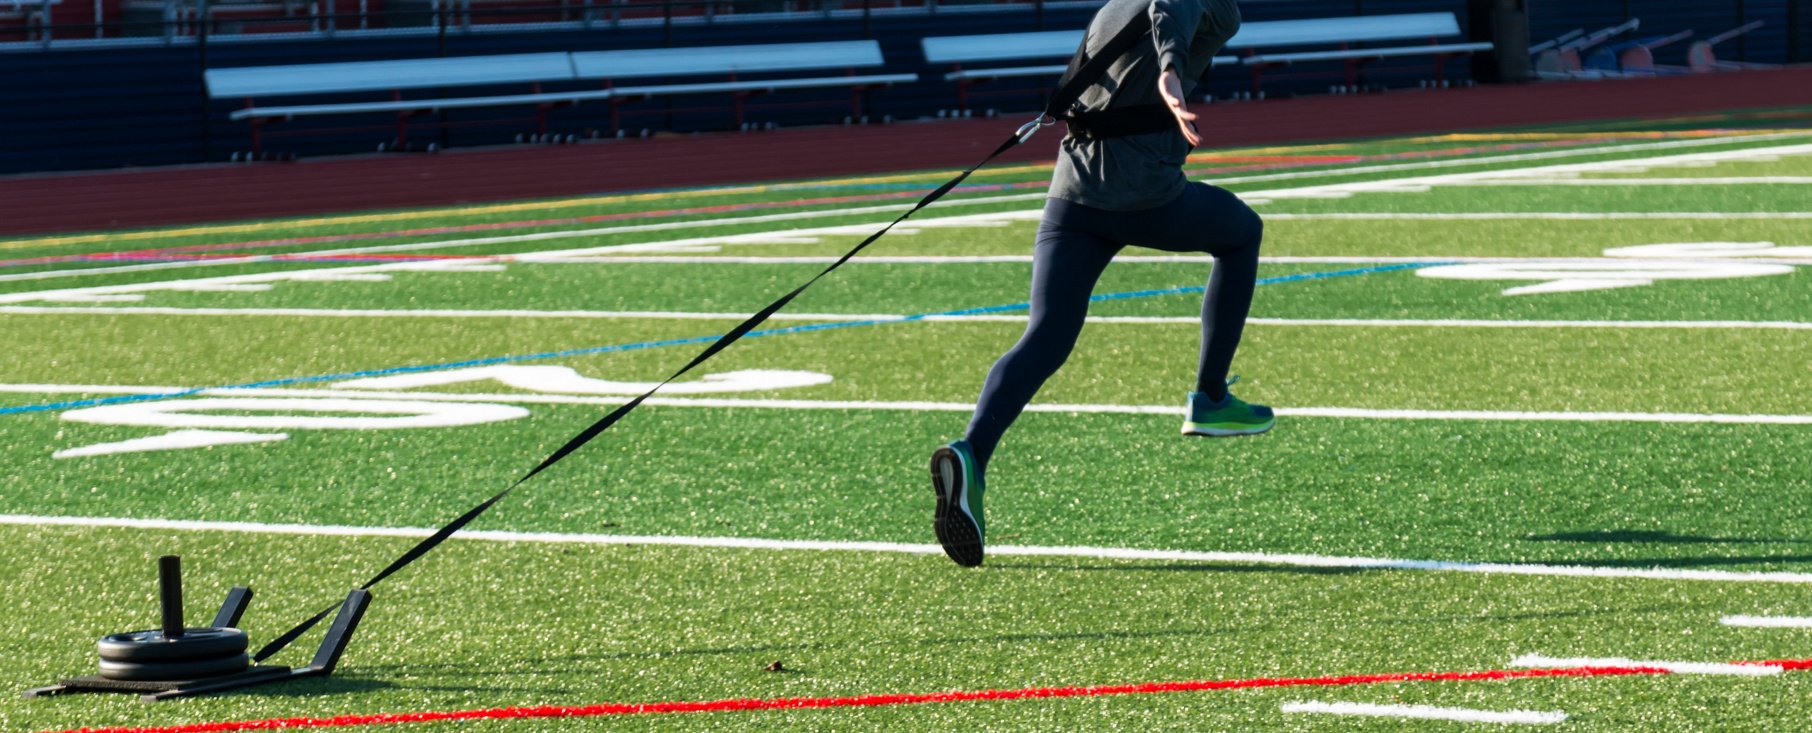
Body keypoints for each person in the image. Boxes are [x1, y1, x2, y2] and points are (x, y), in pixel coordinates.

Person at [929, 0, 1272, 568]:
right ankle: (1211, 398)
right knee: (1242, 234)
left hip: (1073, 195)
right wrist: (1169, 68)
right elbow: (1171, 10)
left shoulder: (1114, 5)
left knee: (1046, 335)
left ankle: (972, 454)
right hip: (1142, 193)